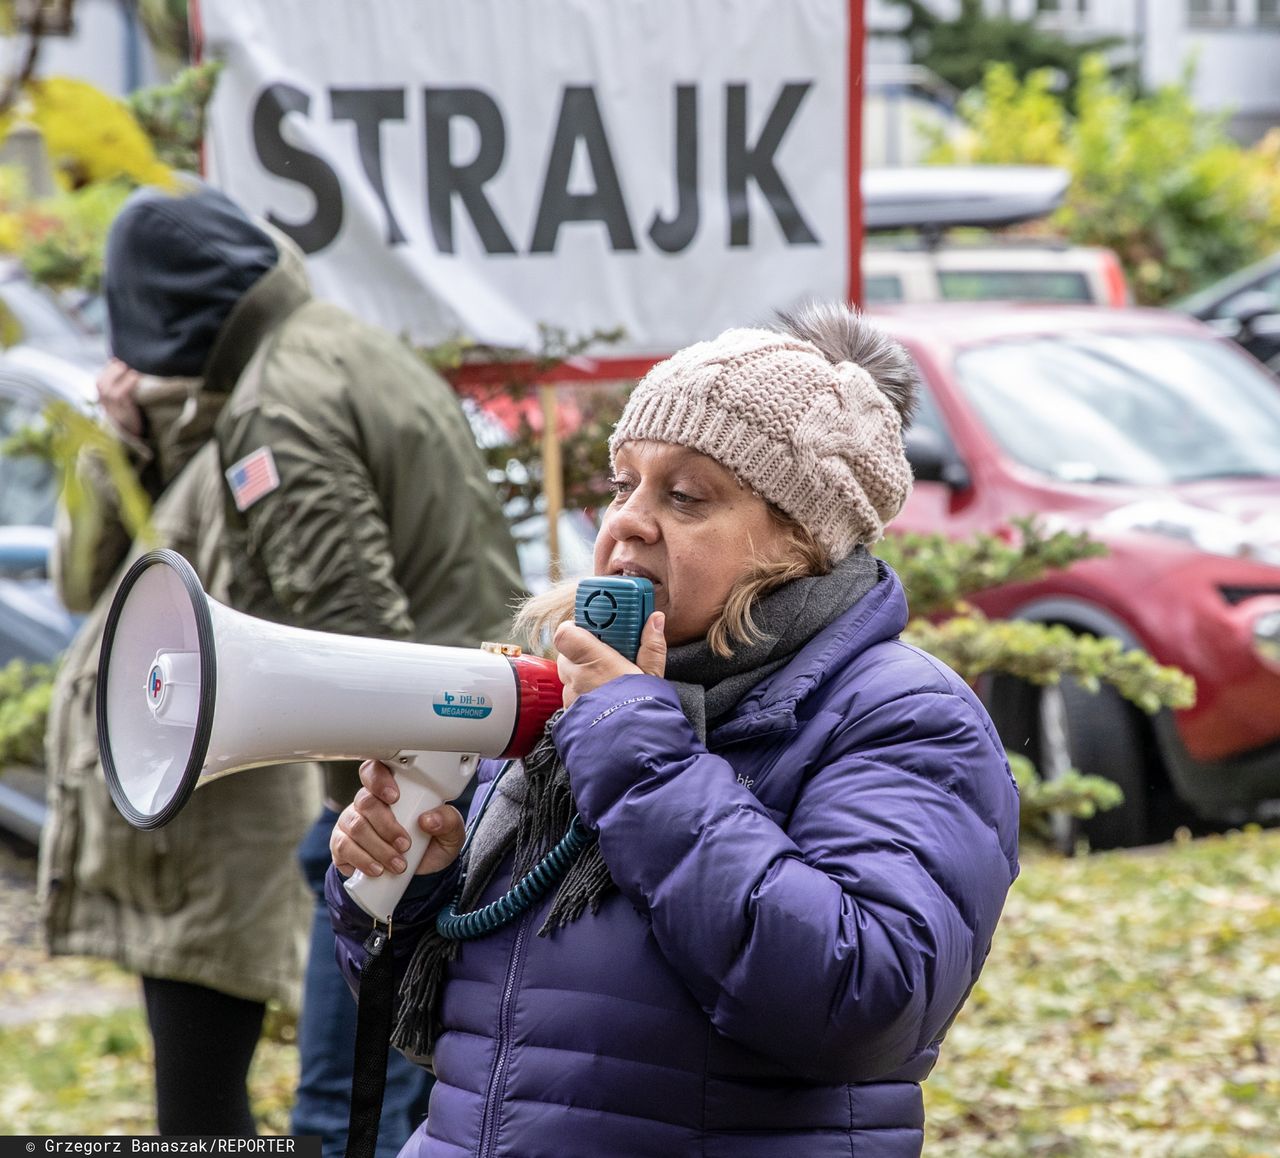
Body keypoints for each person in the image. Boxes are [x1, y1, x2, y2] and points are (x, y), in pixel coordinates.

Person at [327, 303, 1022, 1157]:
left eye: (685, 496)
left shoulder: (901, 715)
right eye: (624, 484)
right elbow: (450, 1034)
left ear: (800, 540)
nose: (626, 521)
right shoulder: (583, 703)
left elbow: (867, 1001)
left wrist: (635, 747)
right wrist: (407, 891)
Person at [57, 182, 527, 1151]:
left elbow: (349, 639)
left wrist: (354, 827)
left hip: (403, 804)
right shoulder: (337, 345)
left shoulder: (277, 406)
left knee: (338, 1113)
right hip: (445, 779)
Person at [39, 359, 321, 1136]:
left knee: (202, 1107)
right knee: (194, 1101)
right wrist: (115, 451)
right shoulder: (155, 438)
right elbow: (78, 580)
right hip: (174, 827)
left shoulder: (250, 435)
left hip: (221, 828)